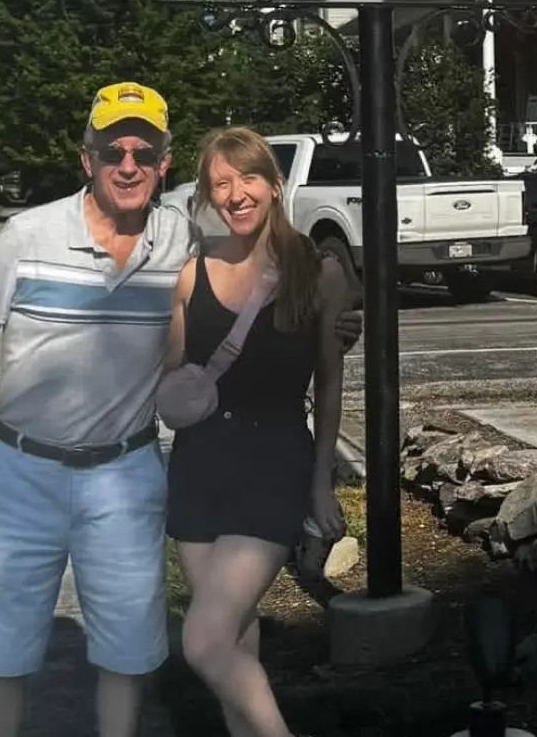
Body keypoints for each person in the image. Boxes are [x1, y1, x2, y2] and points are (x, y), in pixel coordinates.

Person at [0, 86, 362, 737]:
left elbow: (282, 328)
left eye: (143, 152)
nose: (127, 164)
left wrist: (335, 327)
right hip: (25, 473)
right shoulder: (32, 235)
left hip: (125, 479)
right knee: (1, 658)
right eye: (113, 151)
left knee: (140, 657)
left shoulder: (181, 242)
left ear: (163, 163)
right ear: (88, 159)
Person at [164, 126, 350, 737]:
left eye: (247, 178)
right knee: (233, 641)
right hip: (198, 469)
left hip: (273, 465)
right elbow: (170, 376)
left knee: (203, 638)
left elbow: (329, 385)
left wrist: (320, 482)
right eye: (220, 184)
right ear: (207, 196)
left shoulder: (318, 273)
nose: (235, 194)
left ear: (275, 184)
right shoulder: (192, 275)